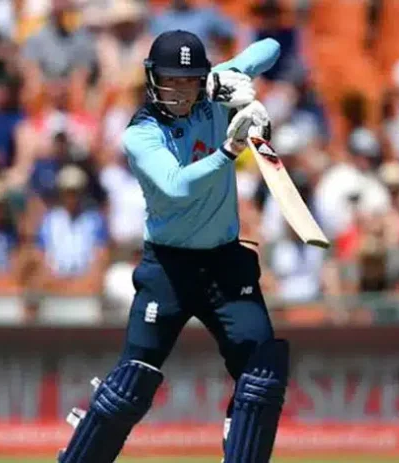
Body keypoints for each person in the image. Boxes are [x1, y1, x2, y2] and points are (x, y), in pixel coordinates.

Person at [58, 30, 286, 463]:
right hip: (169, 269)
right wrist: (230, 149)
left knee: (262, 374)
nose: (180, 90)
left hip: (225, 264)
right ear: (152, 79)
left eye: (189, 80)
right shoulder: (141, 134)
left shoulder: (213, 89)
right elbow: (177, 186)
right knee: (130, 384)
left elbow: (271, 47)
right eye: (170, 80)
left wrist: (232, 78)